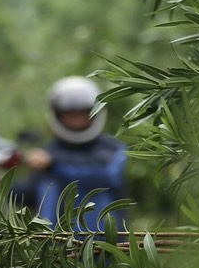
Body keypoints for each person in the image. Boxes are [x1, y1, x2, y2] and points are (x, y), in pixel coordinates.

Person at [14, 75, 129, 234]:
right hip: (58, 248)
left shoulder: (112, 149)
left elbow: (104, 176)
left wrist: (52, 164)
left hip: (103, 246)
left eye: (83, 113)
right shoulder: (50, 150)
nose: (77, 120)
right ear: (58, 115)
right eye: (70, 114)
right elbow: (30, 194)